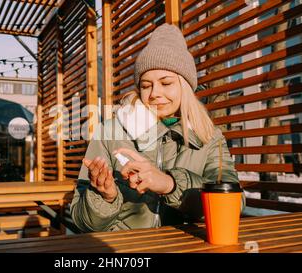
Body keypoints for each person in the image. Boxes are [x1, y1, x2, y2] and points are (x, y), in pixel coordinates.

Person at [71, 23, 245, 232]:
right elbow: (81, 222)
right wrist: (105, 197)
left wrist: (170, 184)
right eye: (146, 85)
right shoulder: (110, 132)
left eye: (166, 82)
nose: (154, 93)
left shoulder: (210, 137)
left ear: (185, 86)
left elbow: (234, 203)